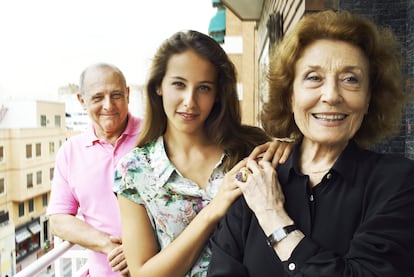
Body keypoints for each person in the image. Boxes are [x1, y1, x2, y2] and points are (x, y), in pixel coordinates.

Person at [207, 10, 414, 277]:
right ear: (290, 95)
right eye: (313, 78)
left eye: (350, 79)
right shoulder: (257, 178)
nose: (331, 96)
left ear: (369, 98)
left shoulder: (398, 183)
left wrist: (273, 217)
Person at [113, 30, 293, 277]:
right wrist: (212, 210)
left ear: (218, 94)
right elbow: (143, 273)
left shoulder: (250, 148)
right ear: (158, 86)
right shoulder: (135, 170)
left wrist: (290, 150)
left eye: (204, 88)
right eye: (179, 84)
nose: (190, 101)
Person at [47, 63, 142, 276]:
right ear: (82, 100)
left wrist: (138, 249)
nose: (108, 105)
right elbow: (58, 220)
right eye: (98, 97)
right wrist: (108, 245)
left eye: (116, 95)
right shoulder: (70, 151)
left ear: (127, 94)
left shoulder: (154, 136)